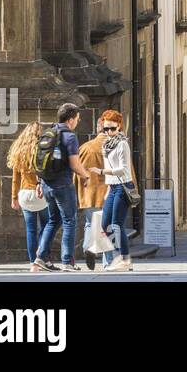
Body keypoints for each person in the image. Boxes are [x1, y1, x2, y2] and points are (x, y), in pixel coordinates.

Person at [34, 103, 93, 272]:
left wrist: (39, 183)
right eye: (77, 118)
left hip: (46, 184)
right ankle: (68, 261)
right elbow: (75, 164)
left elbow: (40, 160)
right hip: (62, 185)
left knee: (54, 220)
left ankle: (40, 258)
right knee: (69, 221)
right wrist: (86, 175)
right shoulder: (70, 136)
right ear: (70, 120)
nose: (78, 121)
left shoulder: (48, 133)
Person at [95, 111, 135, 271]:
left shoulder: (122, 143)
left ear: (119, 126)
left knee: (116, 224)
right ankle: (119, 256)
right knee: (105, 225)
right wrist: (107, 187)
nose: (109, 132)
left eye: (112, 128)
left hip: (123, 186)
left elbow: (124, 170)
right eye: (105, 129)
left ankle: (125, 259)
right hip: (112, 187)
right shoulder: (107, 144)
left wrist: (102, 172)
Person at [7, 122, 49, 268]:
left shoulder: (19, 152)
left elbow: (15, 179)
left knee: (31, 229)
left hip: (24, 194)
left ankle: (33, 262)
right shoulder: (41, 149)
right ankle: (43, 257)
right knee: (46, 226)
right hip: (40, 193)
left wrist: (13, 198)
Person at [77, 113, 111, 269]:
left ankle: (88, 246)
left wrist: (77, 192)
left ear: (97, 128)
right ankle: (108, 261)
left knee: (90, 223)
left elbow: (77, 171)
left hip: (89, 192)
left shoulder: (85, 147)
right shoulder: (116, 146)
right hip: (110, 192)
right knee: (108, 226)